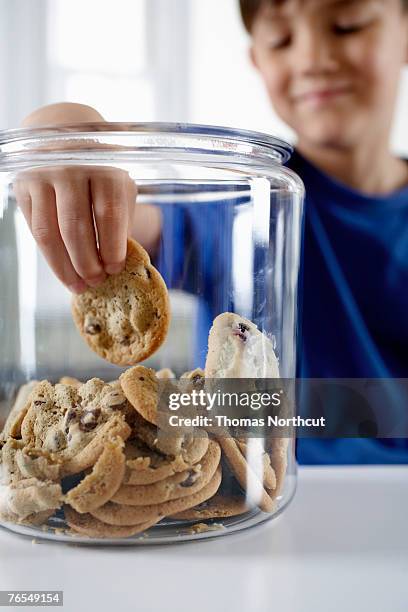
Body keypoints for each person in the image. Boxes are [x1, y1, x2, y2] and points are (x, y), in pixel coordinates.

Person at [15, 0, 408, 464]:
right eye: (281, 39)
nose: (313, 59)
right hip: (258, 500)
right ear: (257, 60)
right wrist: (59, 136)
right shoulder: (234, 204)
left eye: (347, 26)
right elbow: (132, 228)